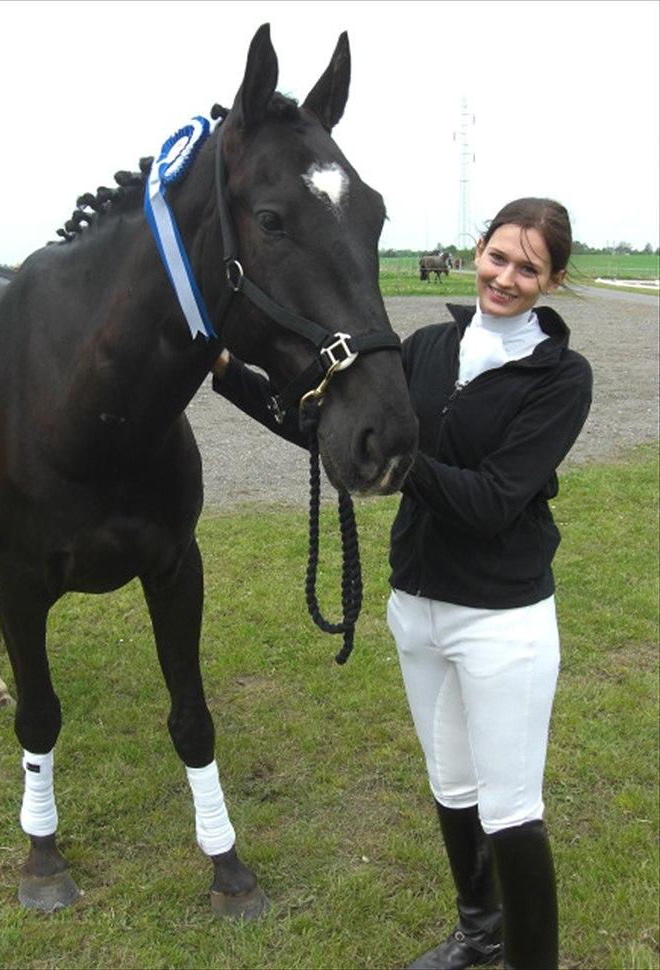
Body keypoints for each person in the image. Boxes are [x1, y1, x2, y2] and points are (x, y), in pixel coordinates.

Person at [211, 198, 592, 970]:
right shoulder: (425, 347)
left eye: (529, 267)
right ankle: (481, 934)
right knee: (451, 784)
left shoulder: (561, 377)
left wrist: (394, 456)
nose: (506, 277)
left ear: (552, 281)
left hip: (502, 621)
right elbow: (325, 424)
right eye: (499, 256)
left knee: (512, 811)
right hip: (416, 608)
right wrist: (226, 375)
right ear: (477, 250)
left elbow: (491, 501)